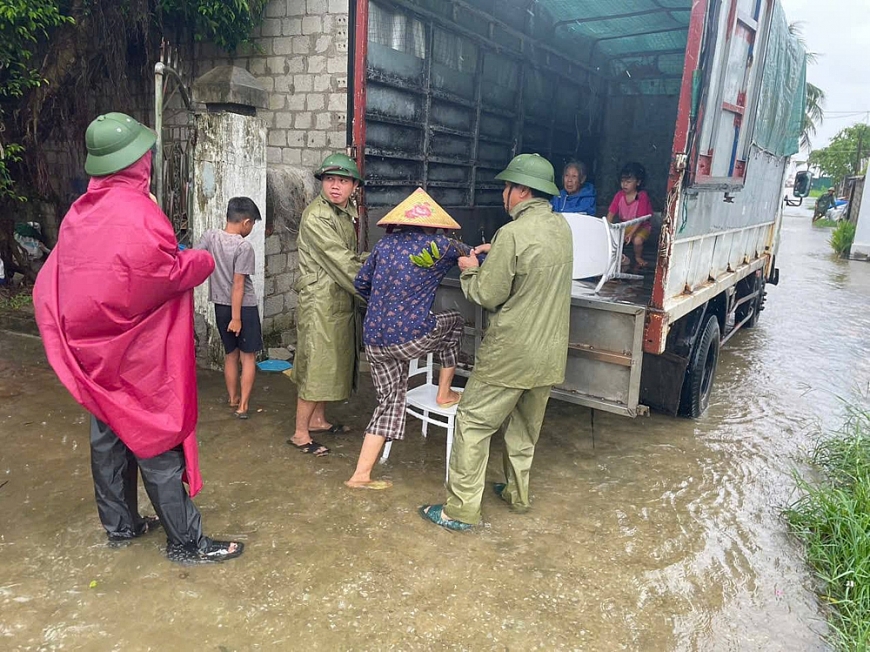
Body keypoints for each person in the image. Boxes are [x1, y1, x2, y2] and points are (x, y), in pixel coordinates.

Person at [33, 112, 244, 564]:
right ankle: (186, 542)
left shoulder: (78, 215)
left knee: (108, 438)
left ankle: (121, 526)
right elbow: (161, 273)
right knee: (155, 440)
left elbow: (61, 276)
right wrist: (202, 261)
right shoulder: (138, 213)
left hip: (91, 354)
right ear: (137, 161)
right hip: (136, 356)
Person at [420, 153, 573, 531]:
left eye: (507, 187)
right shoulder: (561, 227)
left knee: (472, 423)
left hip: (511, 354)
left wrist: (472, 272)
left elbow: (489, 294)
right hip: (549, 354)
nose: (504, 193)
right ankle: (517, 494)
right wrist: (499, 255)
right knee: (523, 428)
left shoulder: (512, 233)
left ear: (521, 190)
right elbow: (530, 272)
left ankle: (461, 512)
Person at [346, 188, 468, 490]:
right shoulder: (441, 245)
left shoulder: (384, 246)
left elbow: (361, 282)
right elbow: (471, 255)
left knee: (387, 402)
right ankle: (444, 393)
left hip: (374, 338)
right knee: (454, 322)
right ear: (433, 223)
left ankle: (360, 476)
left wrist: (385, 306)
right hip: (412, 336)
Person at [288, 153, 367, 457]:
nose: (336, 186)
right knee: (317, 365)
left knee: (330, 363)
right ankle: (300, 433)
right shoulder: (318, 216)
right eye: (330, 180)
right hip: (321, 302)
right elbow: (342, 261)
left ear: (353, 187)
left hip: (336, 299)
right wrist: (374, 289)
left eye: (343, 181)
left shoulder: (343, 214)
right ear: (322, 182)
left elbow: (350, 258)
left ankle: (318, 420)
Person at [194, 197, 263, 419]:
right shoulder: (244, 247)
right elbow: (239, 285)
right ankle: (243, 406)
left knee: (230, 355)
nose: (251, 229)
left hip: (220, 307)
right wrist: (237, 318)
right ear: (246, 222)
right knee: (248, 357)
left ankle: (232, 398)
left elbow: (194, 257)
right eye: (252, 224)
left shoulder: (210, 237)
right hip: (243, 309)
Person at [606, 161, 654, 269]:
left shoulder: (642, 196)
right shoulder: (619, 195)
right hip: (625, 226)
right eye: (622, 181)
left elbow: (640, 219)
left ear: (638, 182)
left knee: (637, 241)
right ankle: (617, 258)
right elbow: (611, 213)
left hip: (641, 226)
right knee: (614, 239)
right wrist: (607, 228)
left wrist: (631, 234)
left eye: (628, 181)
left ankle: (638, 257)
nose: (624, 184)